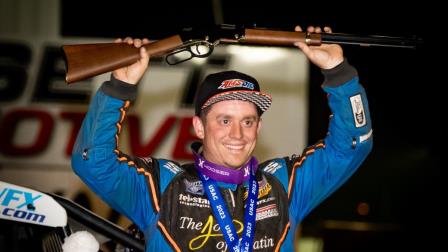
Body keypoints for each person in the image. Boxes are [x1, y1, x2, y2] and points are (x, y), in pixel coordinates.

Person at [71, 25, 373, 251]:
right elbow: (92, 163)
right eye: (224, 120)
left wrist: (338, 73)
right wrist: (119, 89)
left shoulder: (284, 183)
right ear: (199, 127)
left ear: (258, 127)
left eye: (247, 121)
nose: (237, 134)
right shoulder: (162, 183)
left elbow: (352, 145)